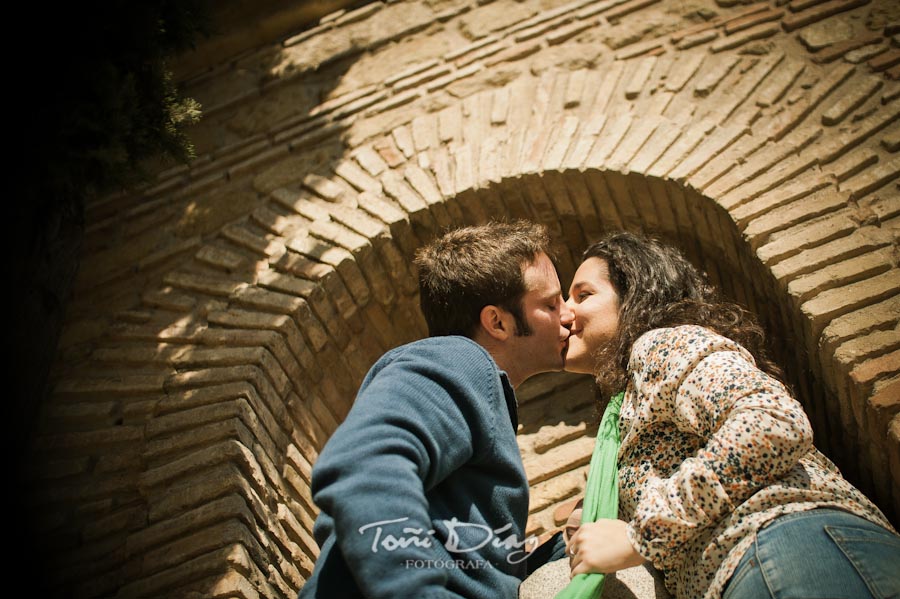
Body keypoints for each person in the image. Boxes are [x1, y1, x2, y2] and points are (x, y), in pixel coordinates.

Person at [561, 231, 900, 599]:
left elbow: (771, 424)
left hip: (785, 550)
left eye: (584, 295)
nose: (566, 311)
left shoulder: (661, 344)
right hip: (765, 566)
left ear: (635, 297)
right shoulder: (625, 406)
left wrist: (641, 534)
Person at [299, 221, 574, 598]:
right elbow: (362, 465)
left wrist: (556, 553)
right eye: (550, 303)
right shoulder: (458, 360)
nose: (568, 314)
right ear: (498, 322)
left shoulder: (473, 387)